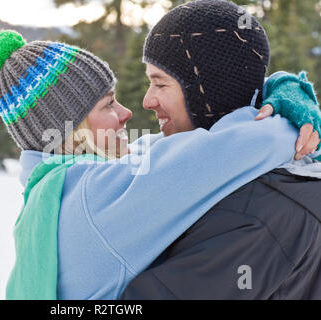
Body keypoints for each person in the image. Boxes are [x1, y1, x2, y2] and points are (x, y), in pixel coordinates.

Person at [0, 28, 319, 300]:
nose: (127, 112)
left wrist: (275, 85)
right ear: (73, 130)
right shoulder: (95, 196)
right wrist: (290, 105)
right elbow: (233, 150)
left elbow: (163, 150)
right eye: (108, 105)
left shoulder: (56, 191)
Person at [120, 0, 321, 299]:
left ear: (207, 93)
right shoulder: (226, 172)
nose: (147, 101)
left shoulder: (255, 214)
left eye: (160, 84)